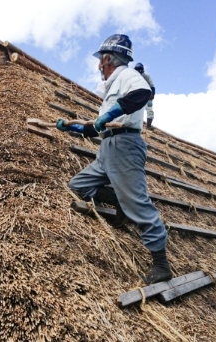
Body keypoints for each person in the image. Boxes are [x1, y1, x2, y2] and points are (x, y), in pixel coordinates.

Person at [55, 34, 172, 285]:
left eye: (101, 61)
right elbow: (98, 127)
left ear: (108, 58)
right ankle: (120, 204)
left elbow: (142, 93)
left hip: (125, 145)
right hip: (107, 147)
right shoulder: (111, 86)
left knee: (138, 203)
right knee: (78, 186)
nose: (99, 66)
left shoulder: (128, 76)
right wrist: (72, 129)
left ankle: (161, 264)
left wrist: (117, 110)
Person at [134, 63, 155, 130]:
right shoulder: (134, 76)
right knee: (134, 108)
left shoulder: (146, 75)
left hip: (147, 95)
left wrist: (152, 95)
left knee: (149, 110)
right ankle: (135, 122)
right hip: (138, 94)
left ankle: (148, 126)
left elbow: (152, 86)